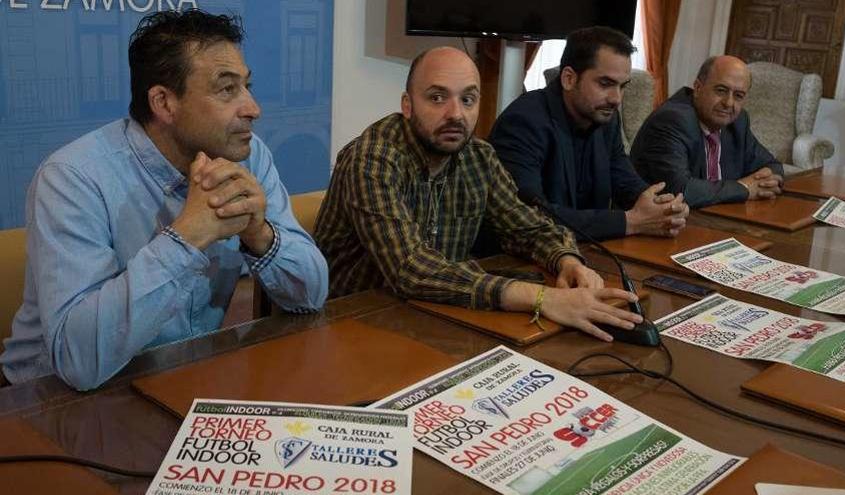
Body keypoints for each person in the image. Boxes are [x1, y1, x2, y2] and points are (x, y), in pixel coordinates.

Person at [0, 10, 328, 390]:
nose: (253, 108)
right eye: (227, 89)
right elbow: (78, 361)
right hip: (46, 400)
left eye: (247, 86)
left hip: (179, 378)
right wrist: (186, 238)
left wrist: (261, 234)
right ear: (164, 103)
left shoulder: (249, 157)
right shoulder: (72, 178)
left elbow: (313, 296)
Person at [314, 47, 643, 342]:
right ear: (407, 105)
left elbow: (528, 227)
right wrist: (544, 298)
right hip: (351, 326)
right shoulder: (372, 158)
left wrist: (567, 261)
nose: (456, 114)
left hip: (436, 317)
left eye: (468, 99)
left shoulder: (479, 157)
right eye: (437, 98)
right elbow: (411, 270)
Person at [489, 26, 688, 241]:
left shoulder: (605, 118)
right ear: (569, 79)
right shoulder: (523, 122)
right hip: (521, 261)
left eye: (622, 86)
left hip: (587, 252)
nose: (616, 99)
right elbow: (530, 217)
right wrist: (630, 222)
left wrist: (663, 207)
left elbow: (625, 180)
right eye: (605, 84)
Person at [630, 55, 784, 208]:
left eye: (738, 96)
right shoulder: (672, 120)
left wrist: (763, 181)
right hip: (656, 224)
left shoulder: (737, 121)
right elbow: (681, 191)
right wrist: (744, 188)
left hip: (715, 220)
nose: (729, 103)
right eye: (721, 90)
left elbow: (773, 165)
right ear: (697, 88)